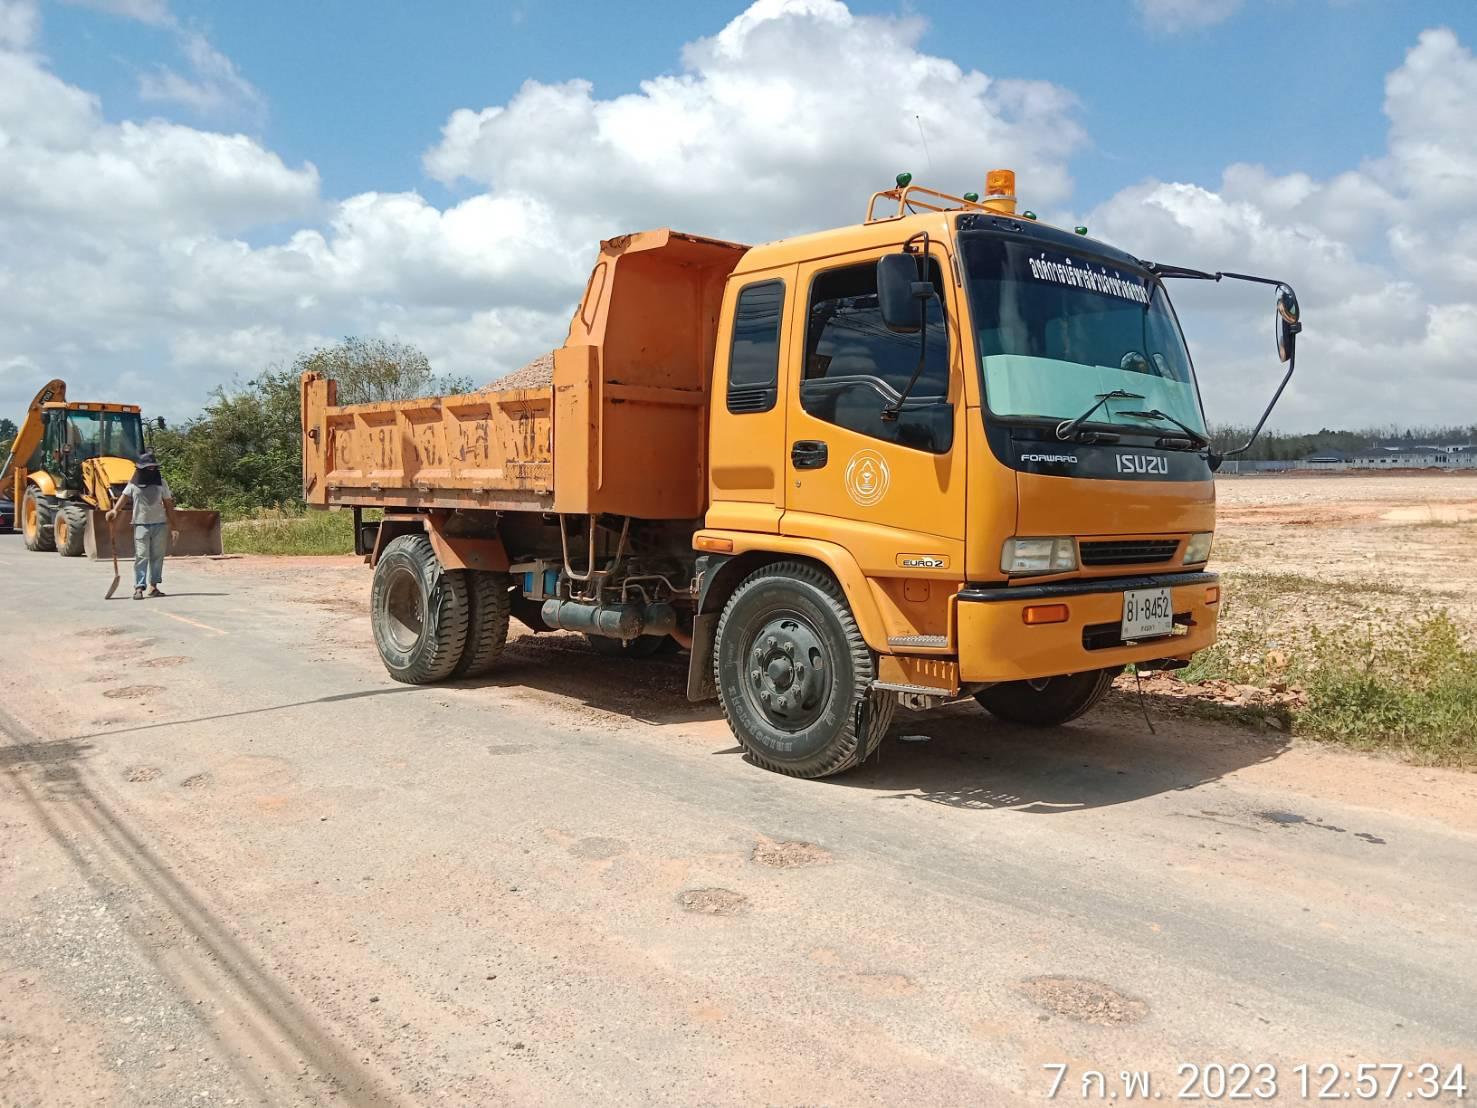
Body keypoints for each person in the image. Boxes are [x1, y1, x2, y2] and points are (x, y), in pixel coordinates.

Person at [106, 452, 180, 600]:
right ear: (141, 468)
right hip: (141, 525)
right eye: (148, 467)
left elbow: (168, 505)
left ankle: (154, 586)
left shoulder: (161, 483)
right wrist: (115, 511)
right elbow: (124, 498)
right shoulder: (133, 484)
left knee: (157, 556)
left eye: (153, 467)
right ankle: (139, 587)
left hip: (159, 524)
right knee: (141, 555)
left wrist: (174, 527)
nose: (151, 469)